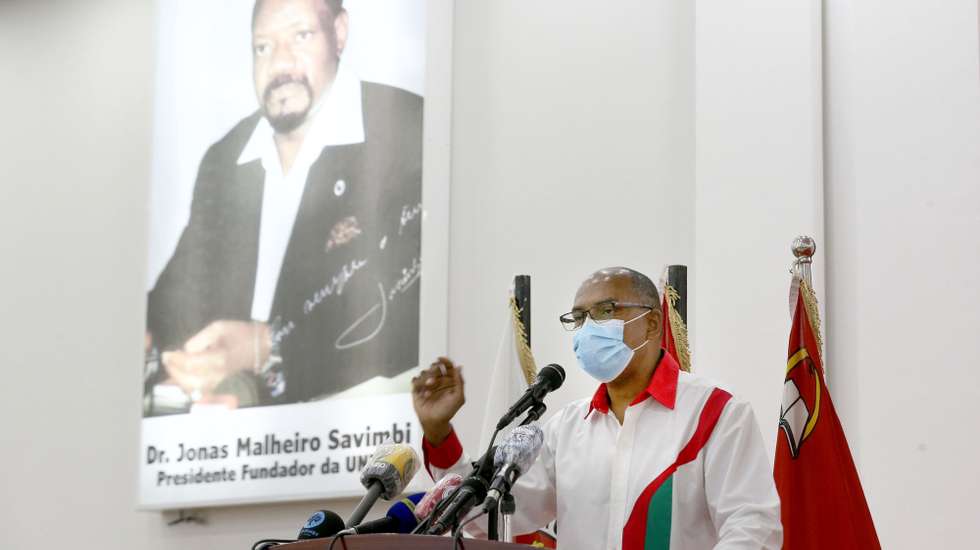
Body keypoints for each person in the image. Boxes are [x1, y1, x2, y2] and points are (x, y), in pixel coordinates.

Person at [145, 0, 422, 414]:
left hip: (351, 433)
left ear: (340, 33)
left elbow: (404, 306)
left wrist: (265, 348)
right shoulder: (226, 158)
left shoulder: (407, 128)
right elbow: (182, 290)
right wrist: (146, 337)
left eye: (301, 36)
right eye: (263, 47)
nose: (280, 63)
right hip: (223, 437)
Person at [412, 267, 782, 549]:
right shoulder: (567, 428)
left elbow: (752, 529)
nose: (588, 329)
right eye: (579, 317)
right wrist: (438, 433)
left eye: (605, 311)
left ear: (652, 323)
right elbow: (487, 513)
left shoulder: (714, 414)